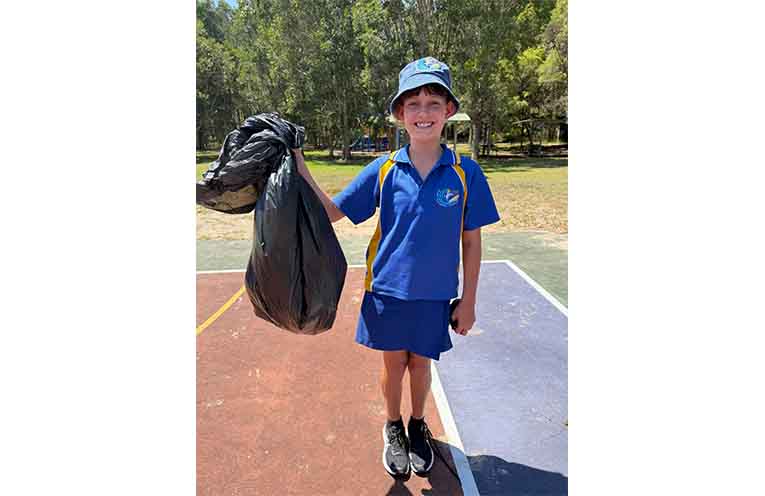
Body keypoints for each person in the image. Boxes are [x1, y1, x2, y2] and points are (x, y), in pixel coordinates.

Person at [294, 56, 500, 480]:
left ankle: (417, 424)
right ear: (400, 114)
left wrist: (469, 301)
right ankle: (393, 426)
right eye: (413, 104)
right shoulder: (384, 169)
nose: (423, 112)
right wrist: (297, 163)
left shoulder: (465, 172)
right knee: (394, 366)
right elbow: (332, 212)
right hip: (387, 290)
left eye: (433, 103)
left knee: (421, 365)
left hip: (435, 294)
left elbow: (471, 240)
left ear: (448, 110)